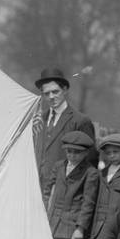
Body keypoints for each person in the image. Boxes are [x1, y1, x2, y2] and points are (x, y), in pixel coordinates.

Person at [33, 67, 96, 197]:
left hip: (66, 191)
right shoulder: (38, 121)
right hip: (37, 189)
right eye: (46, 93)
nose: (51, 97)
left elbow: (91, 160)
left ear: (65, 90)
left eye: (55, 92)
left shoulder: (80, 120)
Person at [44, 131, 99, 239]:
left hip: (70, 226)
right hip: (51, 222)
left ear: (86, 153)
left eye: (77, 153)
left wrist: (80, 228)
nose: (72, 155)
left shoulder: (90, 173)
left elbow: (89, 203)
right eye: (69, 151)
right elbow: (47, 190)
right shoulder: (59, 166)